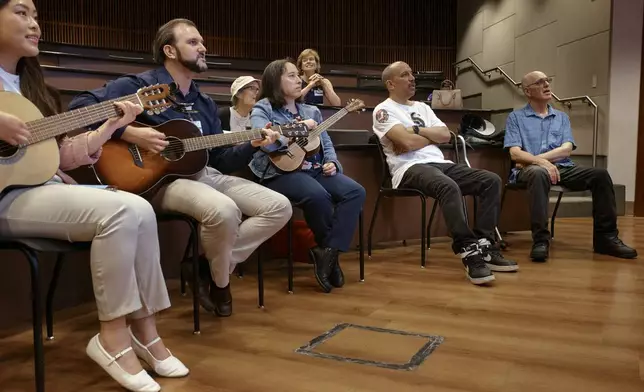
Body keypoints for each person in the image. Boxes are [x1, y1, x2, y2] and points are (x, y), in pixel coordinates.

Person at [0, 1, 188, 391]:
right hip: (7, 198)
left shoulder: (33, 88)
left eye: (36, 15)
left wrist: (109, 127)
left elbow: (56, 156)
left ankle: (146, 331)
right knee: (119, 211)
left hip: (42, 190)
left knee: (139, 208)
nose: (34, 24)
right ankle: (112, 338)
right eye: (22, 12)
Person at [69, 18, 292, 317]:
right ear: (170, 51)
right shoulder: (140, 86)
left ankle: (204, 266)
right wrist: (127, 132)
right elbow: (79, 107)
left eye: (201, 42)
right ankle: (221, 282)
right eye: (193, 42)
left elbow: (220, 159)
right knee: (224, 210)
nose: (203, 47)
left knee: (279, 207)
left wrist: (253, 145)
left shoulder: (205, 102)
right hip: (158, 180)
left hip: (203, 174)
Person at [372, 61, 518, 285]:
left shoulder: (423, 107)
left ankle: (485, 245)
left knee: (491, 180)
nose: (412, 78)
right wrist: (426, 137)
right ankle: (468, 251)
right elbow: (407, 143)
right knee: (448, 185)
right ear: (390, 84)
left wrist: (417, 130)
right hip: (408, 168)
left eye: (412, 73)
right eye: (405, 74)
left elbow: (446, 136)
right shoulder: (383, 110)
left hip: (439, 163)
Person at [249, 58, 366, 293]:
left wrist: (332, 162)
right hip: (278, 171)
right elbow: (266, 143)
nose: (299, 80)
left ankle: (328, 254)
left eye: (297, 75)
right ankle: (329, 259)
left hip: (313, 168)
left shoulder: (311, 110)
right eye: (291, 75)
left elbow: (325, 141)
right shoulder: (263, 108)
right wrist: (297, 132)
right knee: (318, 196)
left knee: (355, 191)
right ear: (275, 80)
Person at [504, 71, 637, 261]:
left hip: (561, 167)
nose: (546, 85)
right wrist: (539, 163)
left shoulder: (561, 117)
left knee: (600, 175)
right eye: (540, 82)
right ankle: (541, 240)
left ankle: (606, 239)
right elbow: (515, 154)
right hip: (528, 170)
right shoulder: (516, 118)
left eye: (547, 80)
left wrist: (536, 158)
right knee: (538, 173)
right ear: (528, 91)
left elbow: (566, 150)